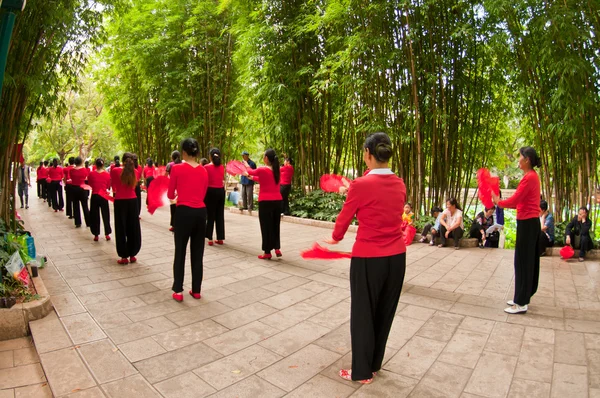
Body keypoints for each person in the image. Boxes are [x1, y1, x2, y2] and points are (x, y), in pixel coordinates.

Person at [324, 132, 406, 385]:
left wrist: (335, 238)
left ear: (368, 153)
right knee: (384, 311)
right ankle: (373, 363)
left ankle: (361, 372)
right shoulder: (400, 183)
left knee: (363, 313)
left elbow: (344, 218)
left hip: (369, 257)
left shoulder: (361, 184)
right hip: (397, 258)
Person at [493, 146, 542, 314]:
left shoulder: (529, 178)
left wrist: (498, 201)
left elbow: (515, 200)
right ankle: (522, 296)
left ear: (527, 159)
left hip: (528, 224)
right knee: (525, 261)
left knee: (523, 262)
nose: (518, 161)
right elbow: (519, 202)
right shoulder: (531, 177)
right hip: (528, 222)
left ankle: (521, 303)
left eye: (520, 157)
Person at [167, 138, 208, 302]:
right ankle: (196, 290)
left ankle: (178, 290)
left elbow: (170, 195)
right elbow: (203, 193)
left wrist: (178, 196)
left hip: (183, 213)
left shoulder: (176, 169)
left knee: (180, 251)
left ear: (184, 152)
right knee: (198, 253)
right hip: (200, 213)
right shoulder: (204, 171)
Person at [242, 149, 282, 259]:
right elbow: (265, 179)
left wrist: (246, 165)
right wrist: (252, 178)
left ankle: (267, 252)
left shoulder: (262, 169)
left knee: (266, 226)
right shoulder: (277, 170)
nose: (263, 158)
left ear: (267, 158)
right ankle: (277, 248)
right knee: (275, 225)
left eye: (264, 156)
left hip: (266, 202)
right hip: (277, 201)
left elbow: (251, 171)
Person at [111, 152, 142, 265]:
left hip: (120, 201)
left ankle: (124, 256)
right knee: (133, 227)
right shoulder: (136, 172)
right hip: (133, 201)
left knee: (121, 227)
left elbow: (113, 185)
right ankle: (133, 254)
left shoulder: (115, 171)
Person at [204, 148, 226, 246]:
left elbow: (204, 181)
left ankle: (209, 238)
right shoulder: (222, 167)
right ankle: (220, 238)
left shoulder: (206, 167)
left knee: (210, 215)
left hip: (210, 191)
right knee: (220, 215)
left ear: (210, 156)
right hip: (221, 191)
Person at [88, 158, 112, 241]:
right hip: (103, 195)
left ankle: (96, 234)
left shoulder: (91, 174)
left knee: (95, 215)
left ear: (95, 164)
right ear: (103, 164)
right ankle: (107, 234)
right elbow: (108, 185)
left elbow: (90, 184)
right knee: (106, 214)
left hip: (95, 195)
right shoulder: (107, 174)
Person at [69, 157, 90, 228]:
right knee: (85, 205)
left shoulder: (71, 170)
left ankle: (77, 222)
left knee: (75, 205)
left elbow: (71, 178)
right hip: (82, 188)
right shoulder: (84, 170)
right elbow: (86, 178)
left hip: (74, 188)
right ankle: (88, 222)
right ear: (81, 162)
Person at [166, 150, 182, 232]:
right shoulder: (183, 164)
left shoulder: (169, 165)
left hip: (173, 187)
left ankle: (174, 225)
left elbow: (166, 176)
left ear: (172, 157)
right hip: (181, 188)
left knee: (173, 208)